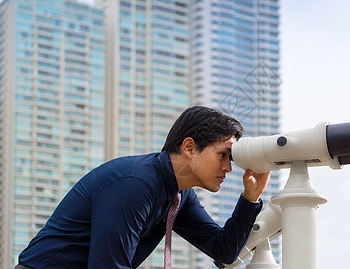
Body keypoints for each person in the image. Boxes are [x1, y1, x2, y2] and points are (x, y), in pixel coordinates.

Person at [16, 106, 271, 269]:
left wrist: (250, 198)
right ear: (190, 147)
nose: (228, 167)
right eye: (223, 155)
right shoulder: (135, 184)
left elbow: (223, 249)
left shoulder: (179, 195)